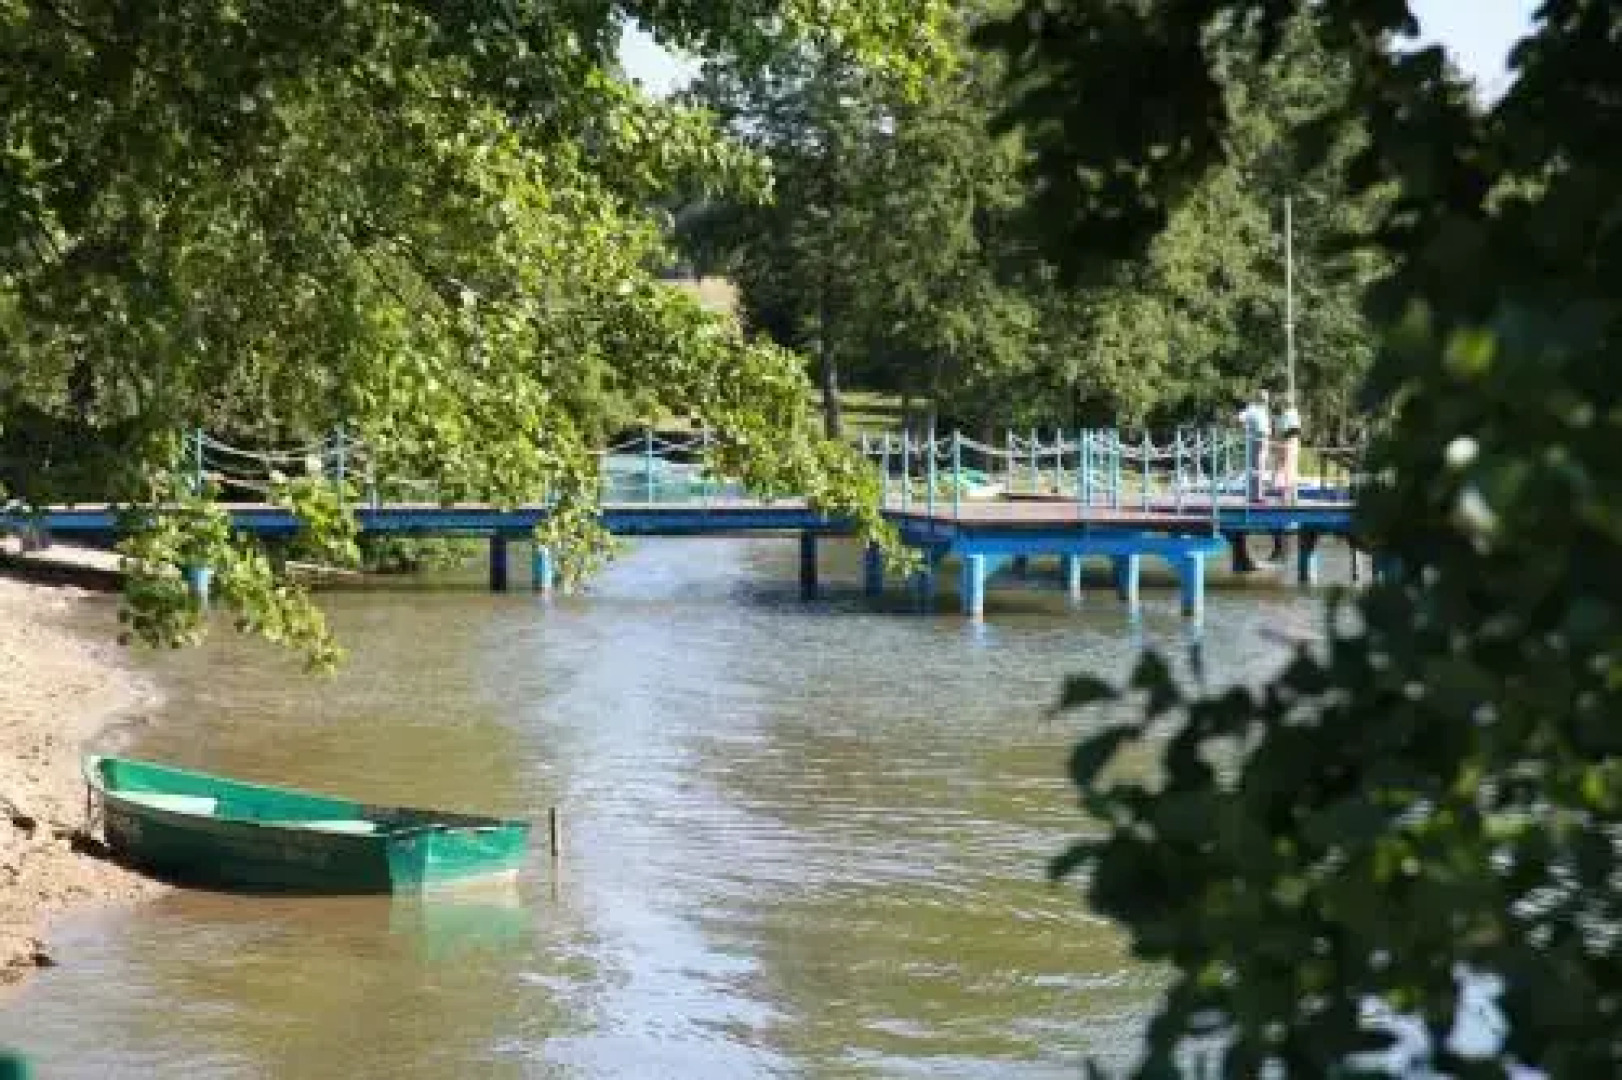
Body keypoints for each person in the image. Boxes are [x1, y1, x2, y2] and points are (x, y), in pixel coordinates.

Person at [1236, 388, 1271, 503]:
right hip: (1255, 439)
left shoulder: (1264, 410)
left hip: (1264, 439)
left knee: (1261, 467)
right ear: (1259, 398)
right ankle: (1256, 495)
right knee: (1257, 467)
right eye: (1263, 398)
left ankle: (1257, 494)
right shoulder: (1252, 408)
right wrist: (1245, 428)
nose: (1265, 400)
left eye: (1266, 398)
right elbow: (1239, 418)